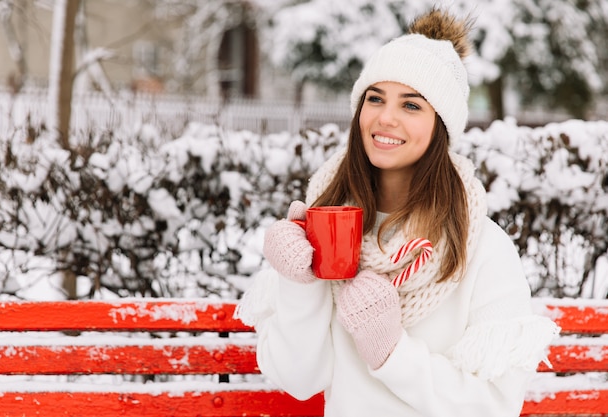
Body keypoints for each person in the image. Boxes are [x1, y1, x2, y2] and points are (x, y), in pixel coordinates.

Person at [235, 8, 559, 417]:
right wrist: (299, 283)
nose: (385, 118)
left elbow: (496, 405)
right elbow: (299, 381)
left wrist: (393, 354)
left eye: (411, 105)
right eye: (375, 98)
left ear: (440, 125)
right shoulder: (325, 227)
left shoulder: (483, 247)